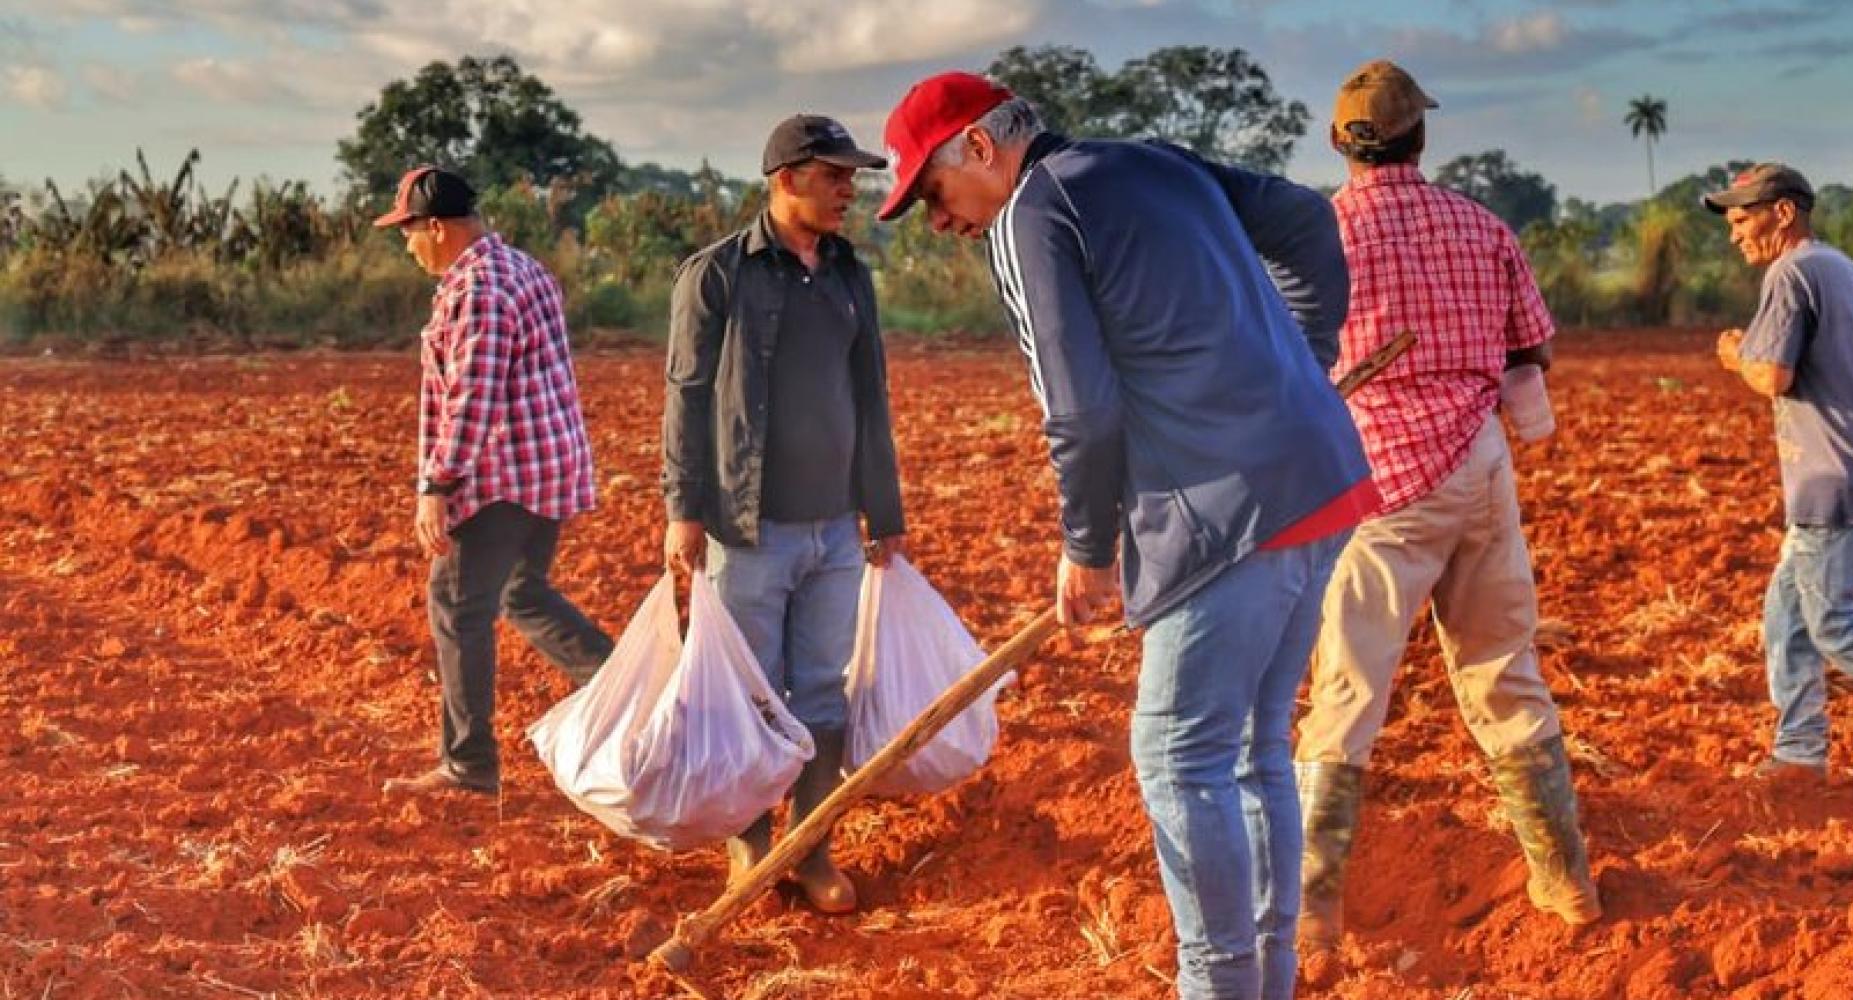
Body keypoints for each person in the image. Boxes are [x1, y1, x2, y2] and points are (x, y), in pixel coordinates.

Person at [878, 71, 1376, 1000]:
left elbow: (1080, 409)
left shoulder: (1032, 215)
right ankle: (1265, 982)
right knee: (1252, 749)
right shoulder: (1152, 163)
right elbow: (1309, 219)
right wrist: (1300, 372)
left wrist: (1088, 548)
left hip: (1226, 511)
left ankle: (1217, 982)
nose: (939, 222)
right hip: (1319, 476)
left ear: (980, 148)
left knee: (1178, 755)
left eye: (932, 193)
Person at [1290, 61, 1603, 970]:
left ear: (1340, 144)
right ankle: (1566, 880)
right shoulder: (1481, 224)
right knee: (1507, 667)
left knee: (1348, 692)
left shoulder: (1317, 235)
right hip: (1479, 465)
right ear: (1420, 138)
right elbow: (1528, 348)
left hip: (1375, 483)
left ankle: (1313, 913)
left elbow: (1282, 365)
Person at [661, 115, 907, 914]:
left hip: (835, 526)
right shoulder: (717, 275)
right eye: (836, 175)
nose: (850, 190)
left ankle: (811, 847)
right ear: (788, 177)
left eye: (852, 177)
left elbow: (870, 393)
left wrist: (883, 506)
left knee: (823, 694)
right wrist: (683, 512)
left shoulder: (848, 274)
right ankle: (752, 848)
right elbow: (686, 401)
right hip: (747, 528)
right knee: (752, 694)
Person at [377, 166, 613, 797]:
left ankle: (468, 764)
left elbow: (472, 398)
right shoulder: (523, 268)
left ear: (436, 227)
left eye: (408, 233)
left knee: (457, 607)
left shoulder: (477, 288)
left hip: (501, 477)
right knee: (522, 593)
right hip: (547, 468)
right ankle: (628, 691)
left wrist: (437, 485)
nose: (406, 247)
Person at [1705, 162, 1853, 783]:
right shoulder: (1849, 271)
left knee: (1836, 627)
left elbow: (1773, 373)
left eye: (1742, 218)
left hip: (1837, 482)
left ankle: (1802, 750)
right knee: (1787, 616)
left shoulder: (1792, 271)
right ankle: (1799, 753)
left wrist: (1733, 355)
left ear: (1784, 213)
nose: (1734, 233)